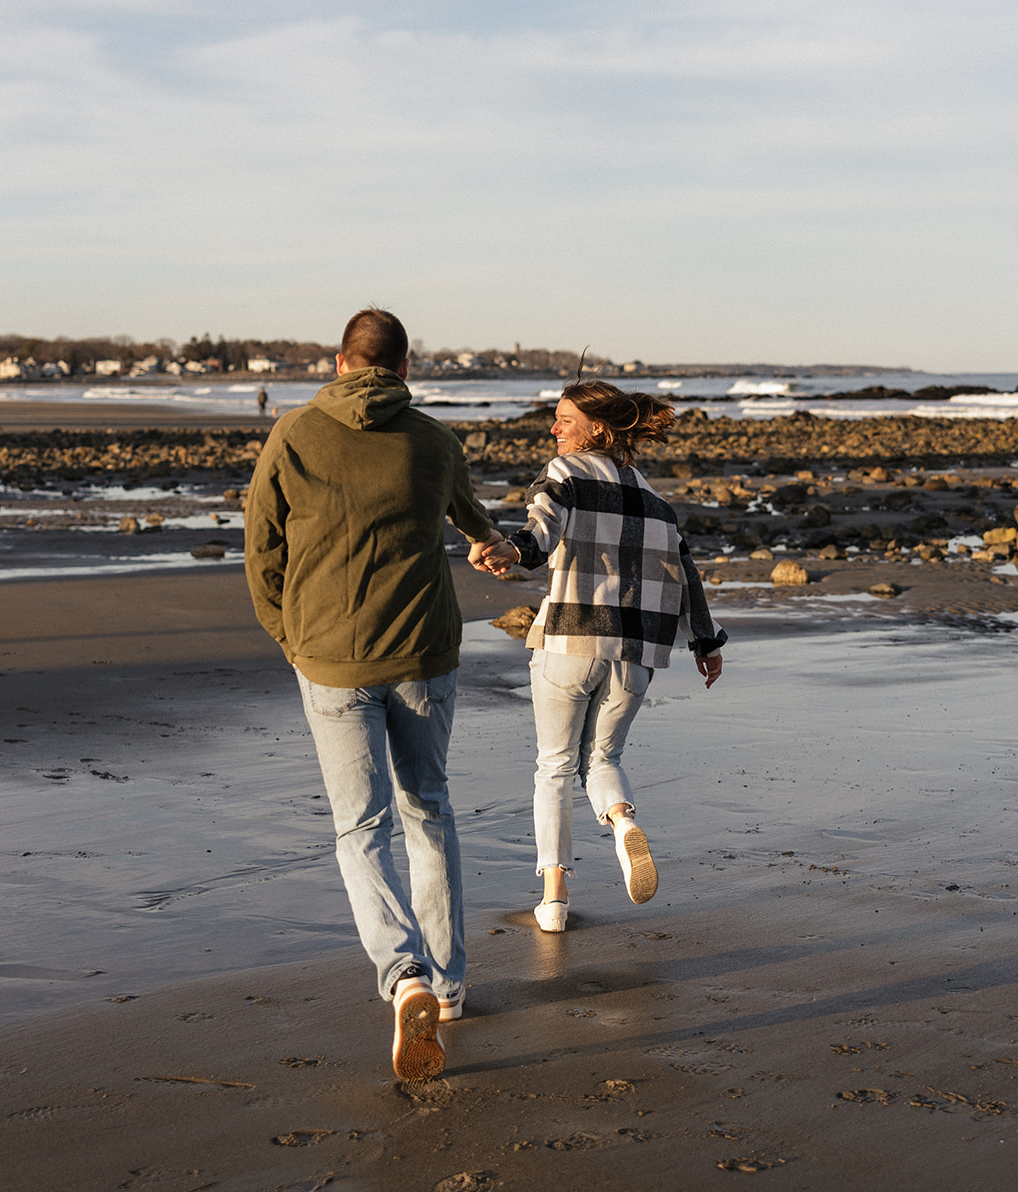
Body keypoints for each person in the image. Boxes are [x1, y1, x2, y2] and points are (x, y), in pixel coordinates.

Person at [244, 308, 502, 1079]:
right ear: (403, 367)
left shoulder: (292, 433)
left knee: (361, 829)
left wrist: (293, 641)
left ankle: (404, 975)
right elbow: (475, 524)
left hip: (330, 659)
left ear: (338, 361)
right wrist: (491, 545)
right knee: (429, 809)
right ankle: (448, 985)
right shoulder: (432, 439)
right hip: (423, 652)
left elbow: (261, 549)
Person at [475, 379, 726, 931]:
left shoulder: (565, 473)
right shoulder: (655, 497)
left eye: (565, 419)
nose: (554, 428)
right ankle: (622, 823)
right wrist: (705, 642)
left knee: (555, 767)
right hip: (636, 654)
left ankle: (555, 898)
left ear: (598, 428)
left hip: (571, 641)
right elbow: (686, 575)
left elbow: (540, 531)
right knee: (604, 760)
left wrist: (512, 551)